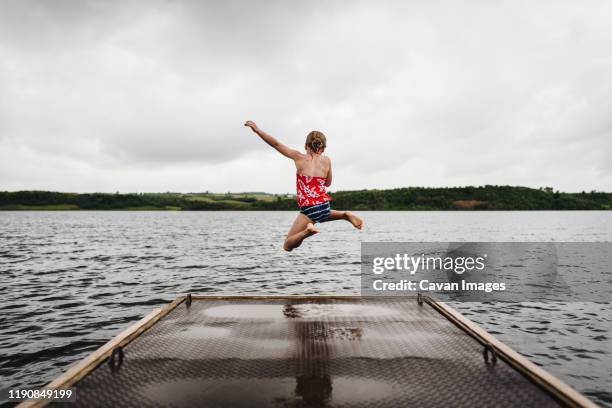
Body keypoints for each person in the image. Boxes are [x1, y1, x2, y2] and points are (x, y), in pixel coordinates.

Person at [244, 121, 363, 251]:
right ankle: (345, 215)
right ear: (323, 148)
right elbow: (328, 183)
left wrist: (257, 130)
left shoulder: (298, 157)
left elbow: (276, 144)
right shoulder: (327, 160)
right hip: (324, 206)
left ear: (306, 145)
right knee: (322, 215)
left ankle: (308, 231)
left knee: (287, 245)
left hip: (309, 209)